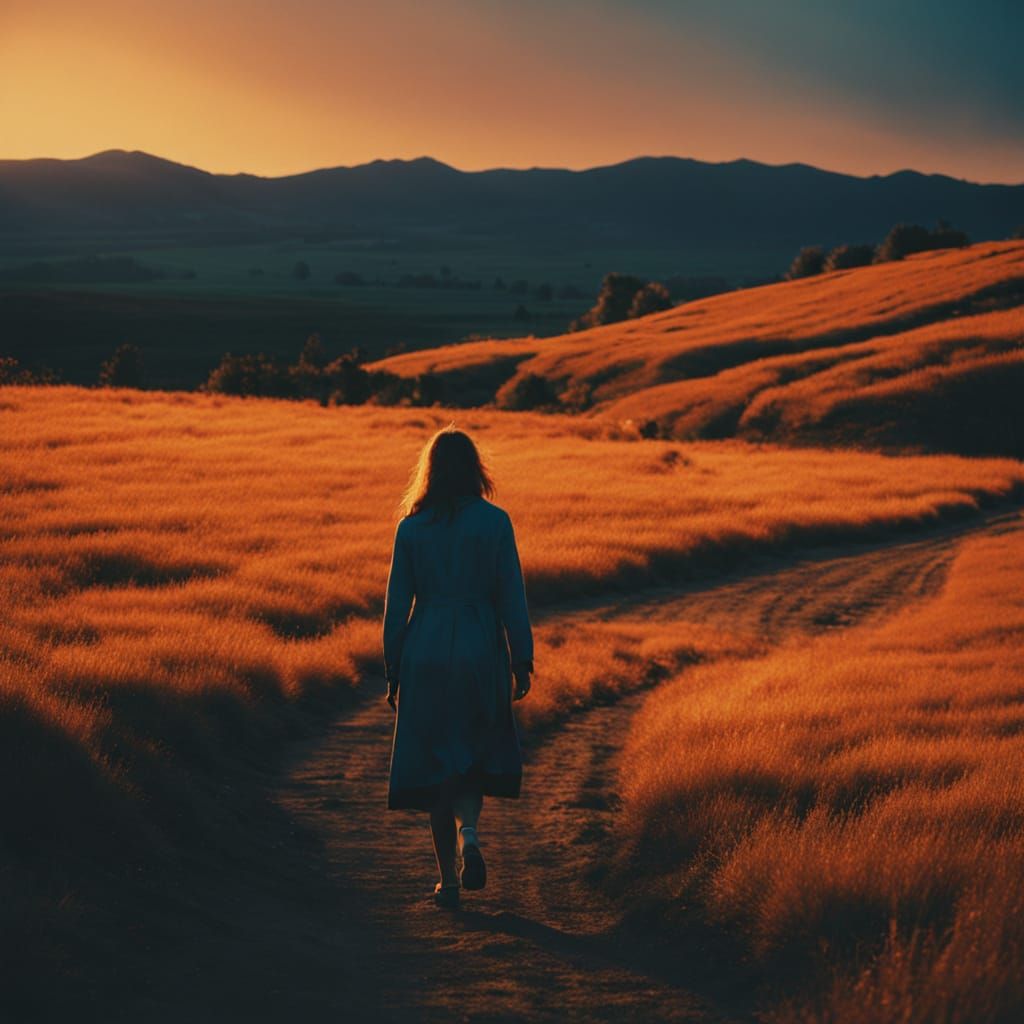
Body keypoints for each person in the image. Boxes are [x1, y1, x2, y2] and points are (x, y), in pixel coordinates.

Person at [382, 426, 533, 909]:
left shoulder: (411, 528)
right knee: (470, 754)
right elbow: (512, 595)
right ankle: (470, 833)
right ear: (475, 469)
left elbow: (395, 606)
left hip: (424, 649)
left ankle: (447, 882)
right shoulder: (496, 522)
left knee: (435, 764)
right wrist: (522, 658)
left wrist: (393, 668)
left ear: (429, 471)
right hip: (479, 648)